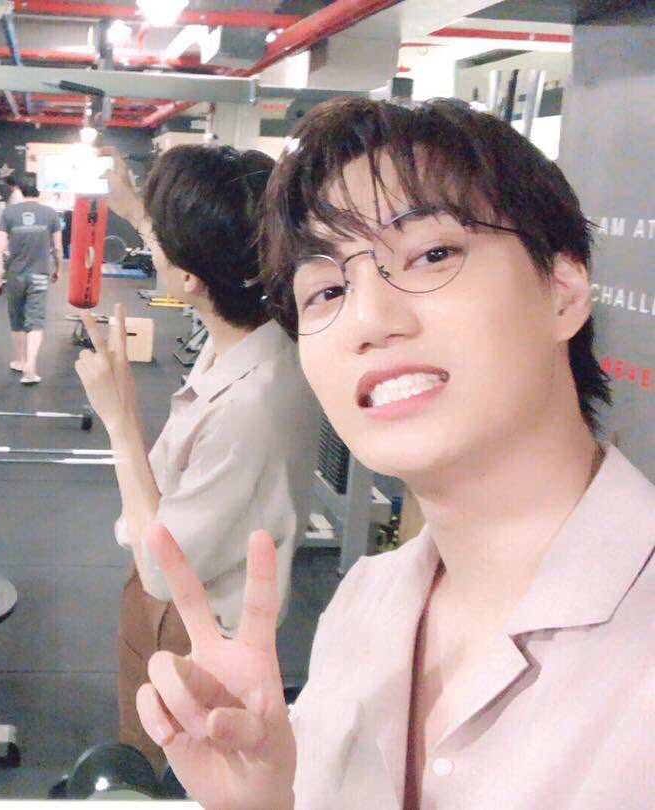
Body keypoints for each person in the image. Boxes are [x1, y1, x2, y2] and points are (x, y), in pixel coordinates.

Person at [134, 97, 653, 809]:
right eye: (326, 291)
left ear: (563, 289)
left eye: (432, 254)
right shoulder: (365, 603)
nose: (370, 320)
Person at [75, 144, 321, 773]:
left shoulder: (250, 406)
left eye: (160, 239)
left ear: (190, 277)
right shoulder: (262, 332)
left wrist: (120, 420)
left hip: (191, 623)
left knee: (156, 770)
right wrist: (137, 208)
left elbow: (163, 572)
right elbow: (199, 257)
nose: (152, 245)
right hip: (196, 605)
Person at [0, 182, 63, 384]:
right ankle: (30, 367)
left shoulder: (9, 213)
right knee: (35, 321)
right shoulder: (50, 214)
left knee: (17, 318)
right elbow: (57, 248)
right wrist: (58, 269)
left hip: (15, 274)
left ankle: (20, 360)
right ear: (38, 193)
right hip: (40, 273)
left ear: (21, 192)